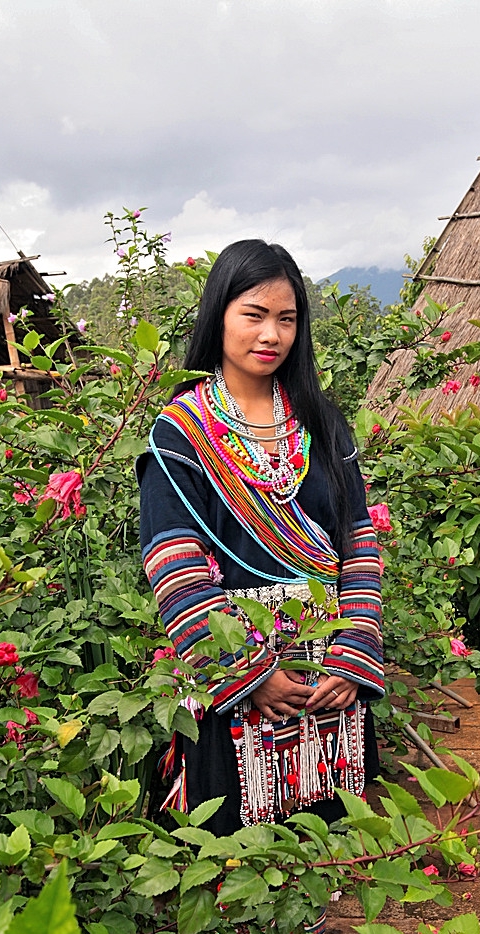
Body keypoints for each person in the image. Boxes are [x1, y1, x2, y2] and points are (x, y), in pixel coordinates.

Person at [137, 239, 384, 839]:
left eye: (287, 318)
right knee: (229, 843)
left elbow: (358, 539)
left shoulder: (321, 423)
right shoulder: (180, 434)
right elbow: (174, 562)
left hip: (326, 664)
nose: (270, 334)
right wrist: (248, 671)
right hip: (235, 667)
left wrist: (352, 656)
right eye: (254, 314)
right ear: (219, 315)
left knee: (326, 834)